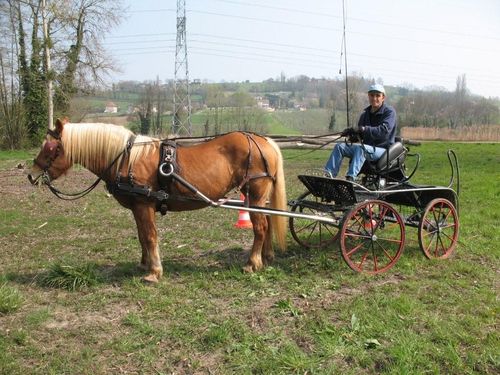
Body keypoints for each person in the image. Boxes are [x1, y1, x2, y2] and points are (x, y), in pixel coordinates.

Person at [324, 83, 397, 181]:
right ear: (368, 96)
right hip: (367, 148)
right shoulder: (365, 114)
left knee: (361, 149)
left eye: (377, 95)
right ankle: (329, 176)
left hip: (383, 150)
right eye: (372, 95)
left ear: (383, 97)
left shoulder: (389, 112)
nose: (374, 98)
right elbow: (361, 135)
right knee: (339, 147)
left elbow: (383, 130)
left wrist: (363, 129)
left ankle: (351, 178)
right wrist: (351, 134)